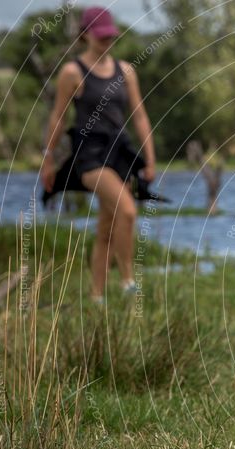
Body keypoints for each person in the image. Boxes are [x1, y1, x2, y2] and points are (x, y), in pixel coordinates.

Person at [41, 6, 155, 304]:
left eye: (110, 37)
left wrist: (150, 157)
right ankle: (128, 281)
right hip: (89, 156)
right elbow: (57, 118)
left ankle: (96, 297)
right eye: (101, 37)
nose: (107, 42)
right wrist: (49, 157)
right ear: (85, 34)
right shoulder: (72, 72)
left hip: (119, 154)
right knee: (127, 211)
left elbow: (140, 116)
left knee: (107, 227)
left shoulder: (126, 71)